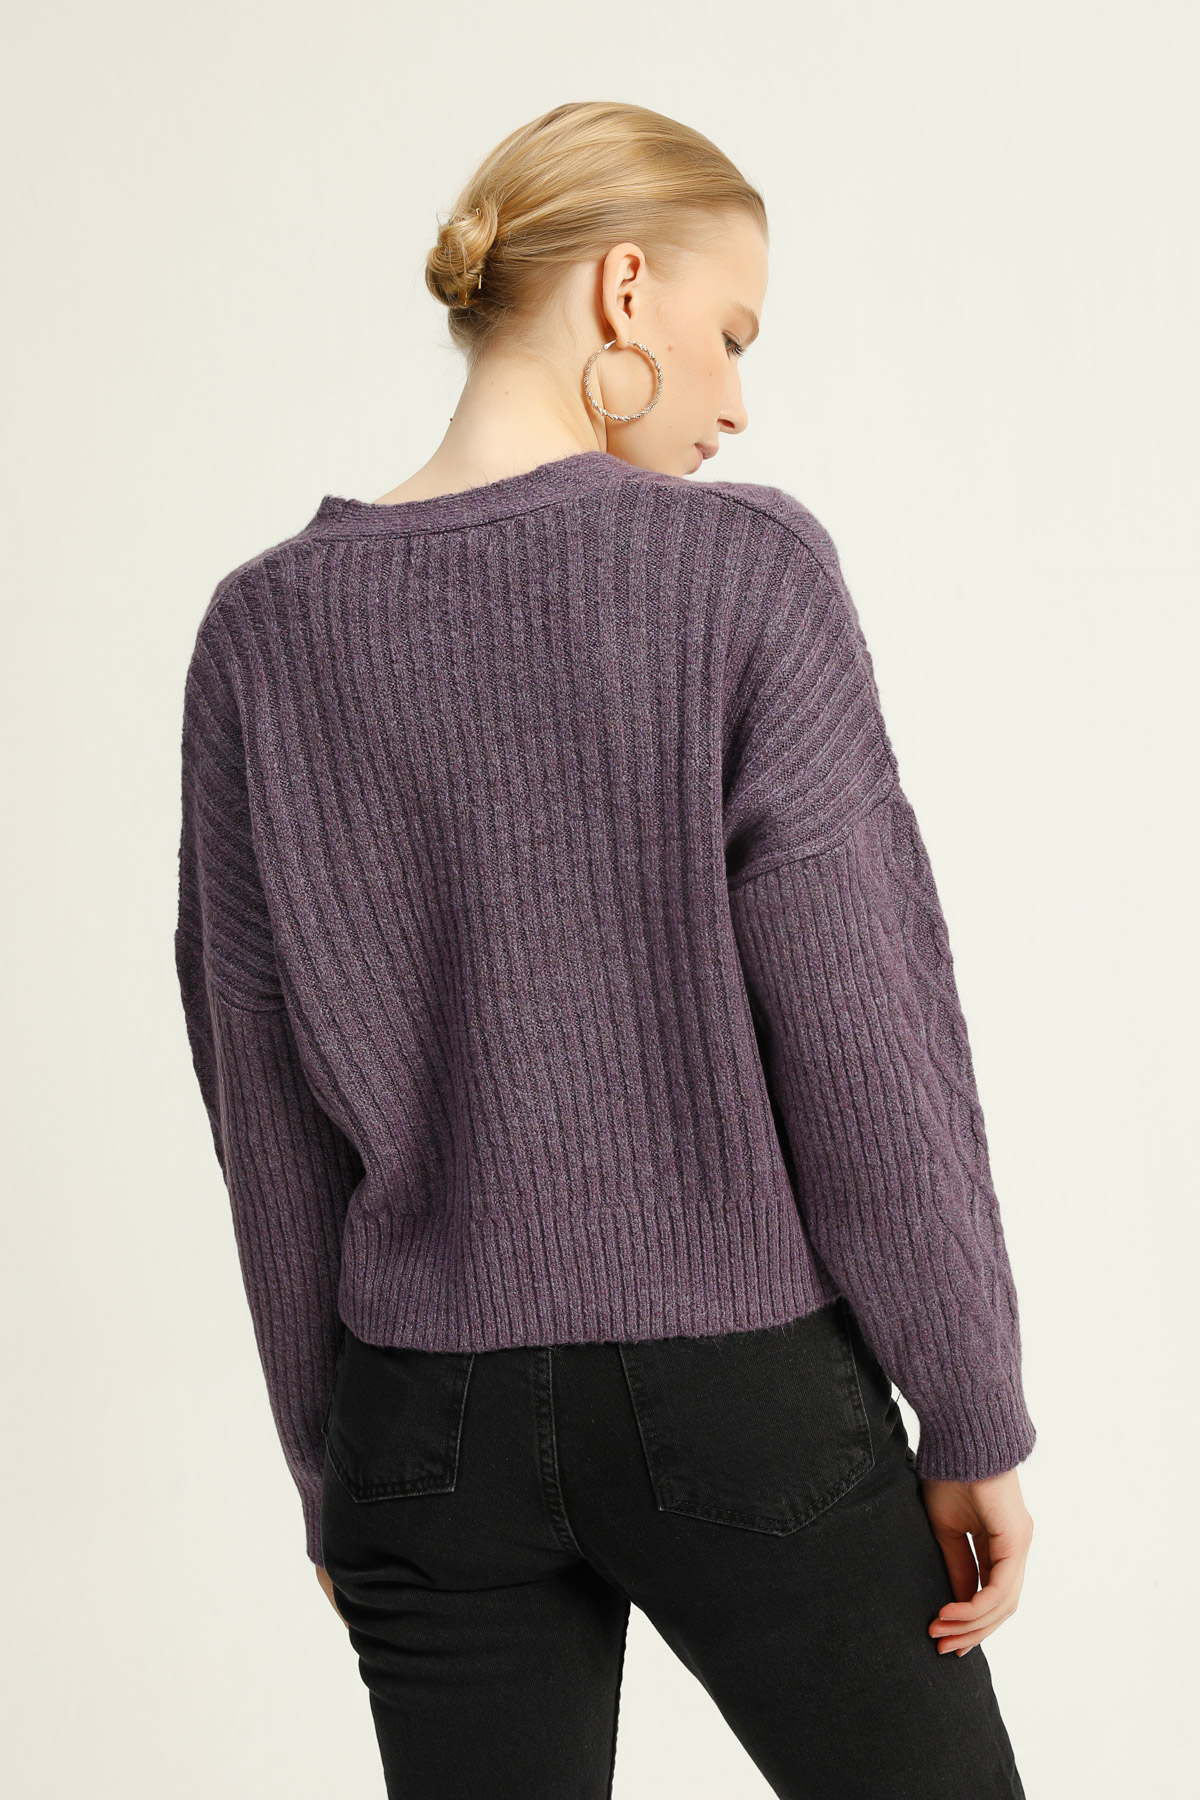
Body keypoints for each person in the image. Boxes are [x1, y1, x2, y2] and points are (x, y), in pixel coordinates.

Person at [174, 100, 1037, 1798]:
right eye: (735, 334)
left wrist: (333, 1468)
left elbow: (256, 1095)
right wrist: (970, 1403)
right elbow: (862, 1025)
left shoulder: (260, 631)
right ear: (626, 291)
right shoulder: (743, 572)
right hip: (740, 1389)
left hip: (421, 1424)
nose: (739, 400)